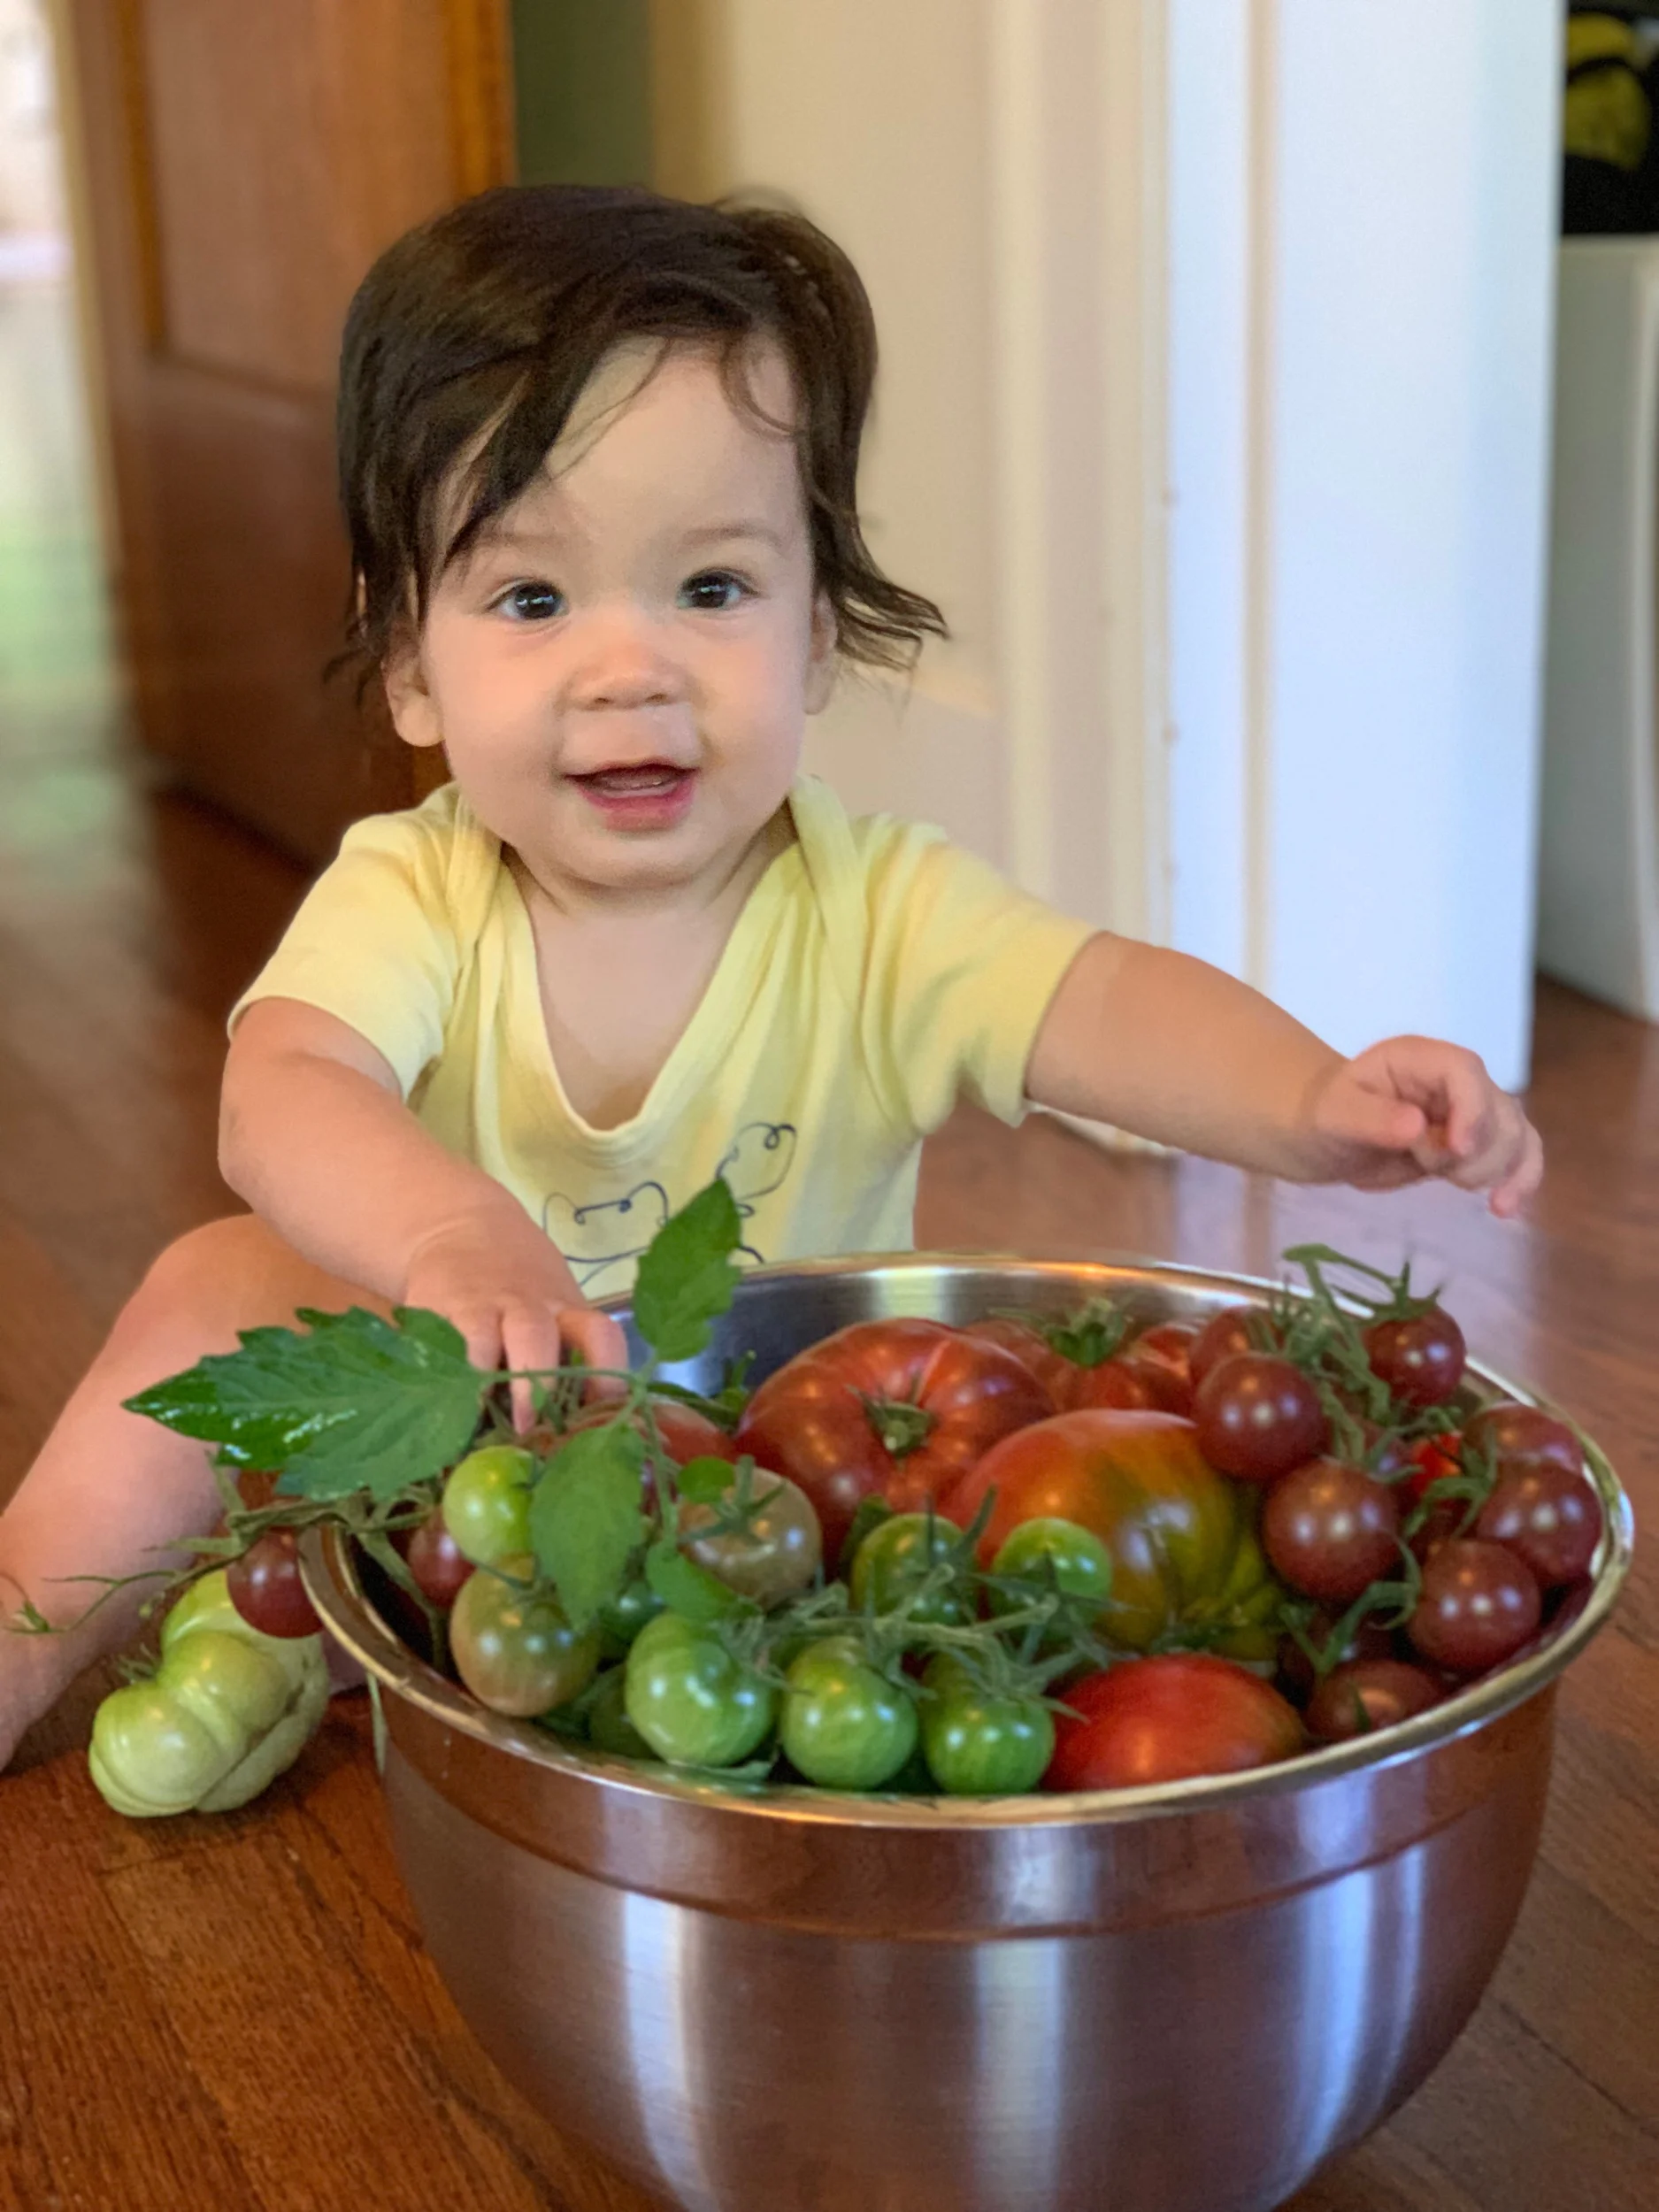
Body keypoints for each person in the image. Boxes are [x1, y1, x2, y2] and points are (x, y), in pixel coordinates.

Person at [0, 185, 1540, 1768]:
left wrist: (1307, 1097)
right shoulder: (421, 890)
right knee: (214, 1283)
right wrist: (456, 1235)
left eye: (711, 589)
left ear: (816, 637)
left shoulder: (875, 906)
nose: (628, 667)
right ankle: (23, 1622)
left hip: (795, 1507)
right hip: (469, 1456)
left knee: (1025, 1472)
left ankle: (414, 1668)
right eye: (531, 600)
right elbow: (283, 1093)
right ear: (410, 668)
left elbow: (1099, 999)